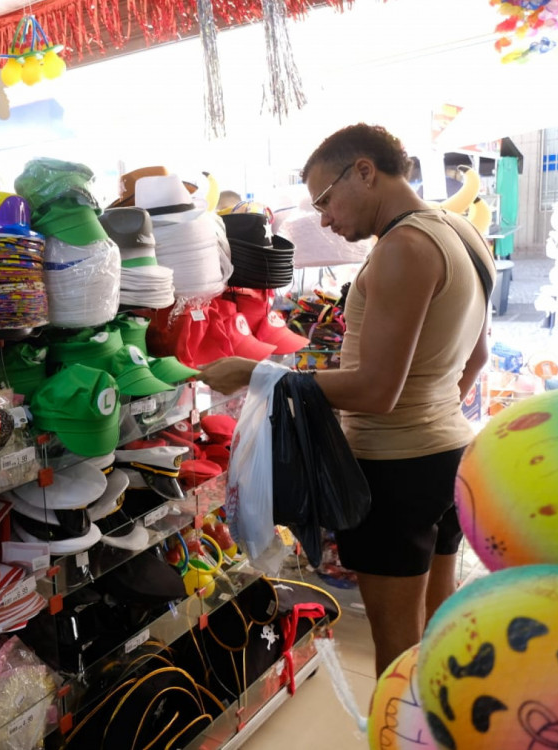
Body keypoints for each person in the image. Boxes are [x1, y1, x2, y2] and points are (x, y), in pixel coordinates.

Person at [199, 124, 494, 675]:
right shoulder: (460, 232)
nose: (326, 219)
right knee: (439, 636)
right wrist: (428, 412)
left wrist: (256, 375)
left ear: (364, 170)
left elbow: (376, 391)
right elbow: (476, 358)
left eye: (325, 200)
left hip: (395, 472)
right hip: (450, 456)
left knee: (397, 654)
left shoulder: (404, 247)